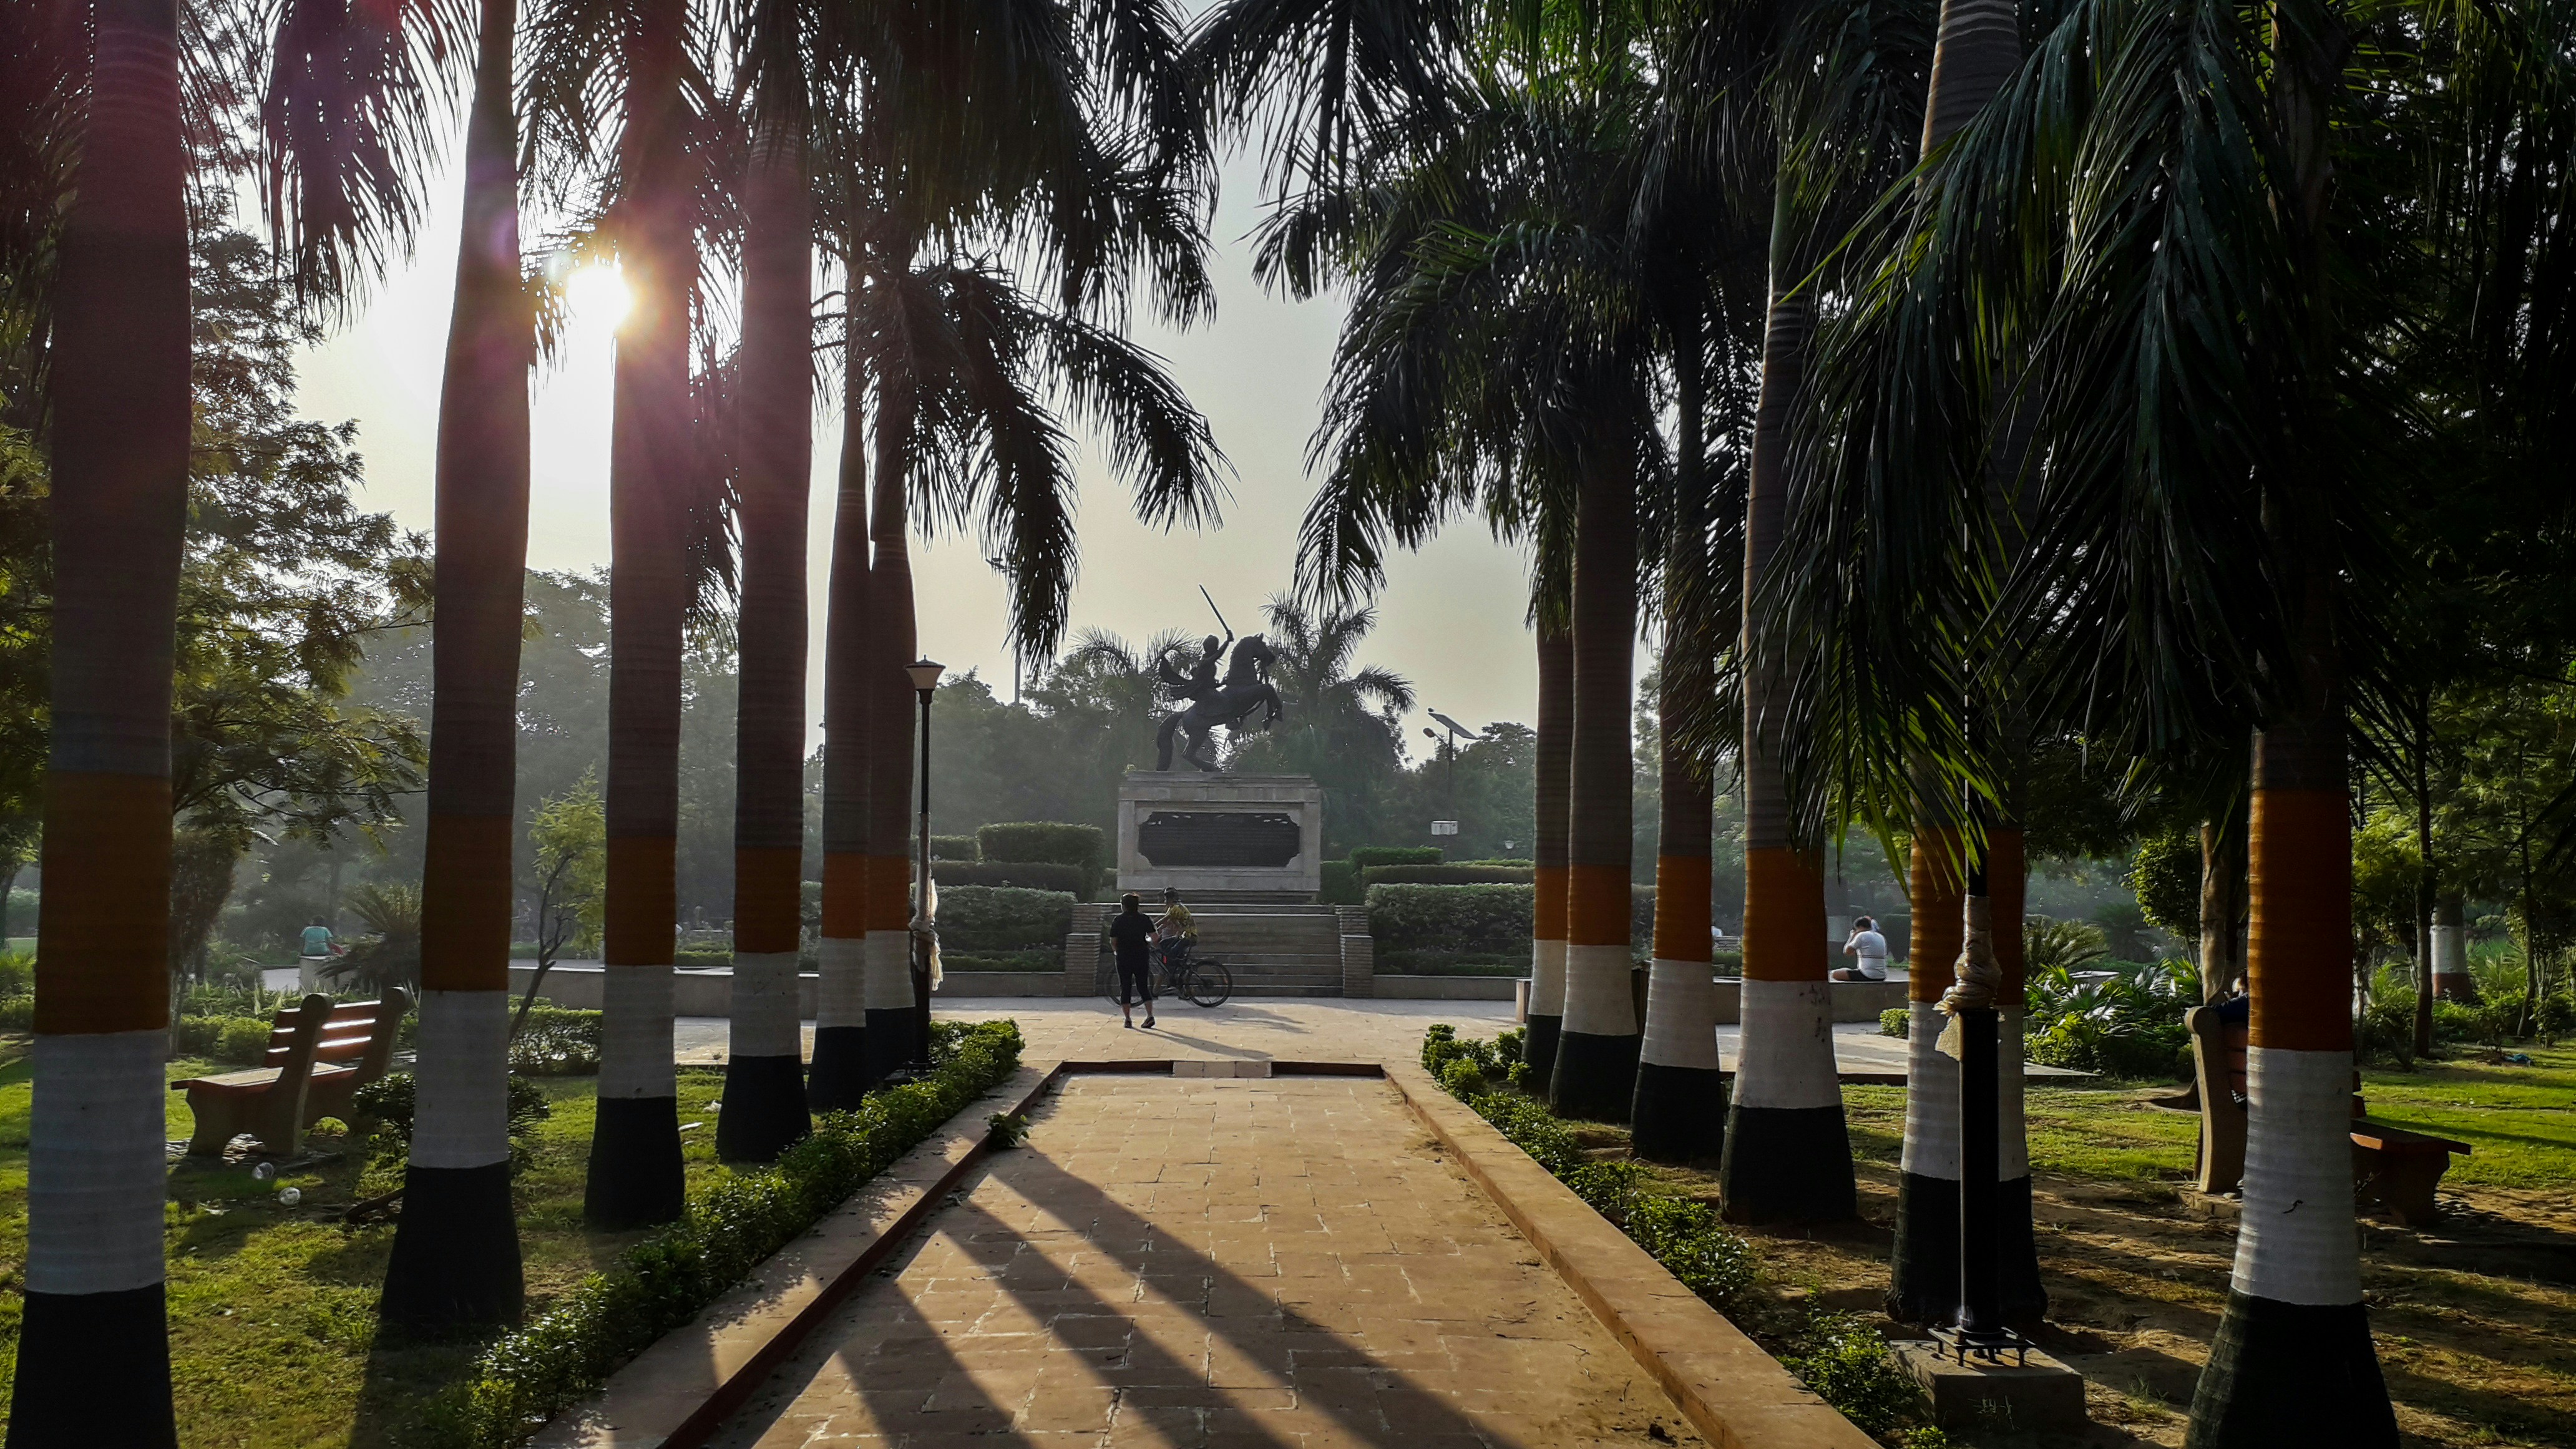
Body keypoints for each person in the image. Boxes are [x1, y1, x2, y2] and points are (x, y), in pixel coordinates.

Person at [1108, 892, 1157, 1029]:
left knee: (1125, 987)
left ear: (1124, 906)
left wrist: (1116, 951)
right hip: (1141, 956)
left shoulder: (1118, 920)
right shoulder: (1144, 919)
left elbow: (1113, 941)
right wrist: (1147, 943)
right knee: (1143, 986)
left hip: (1124, 956)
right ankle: (1150, 1016)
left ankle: (1128, 1019)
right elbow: (1155, 938)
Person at [1833, 915, 1888, 982]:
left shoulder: (1862, 936)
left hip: (1867, 975)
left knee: (1834, 974)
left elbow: (1847, 952)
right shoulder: (1881, 936)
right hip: (1882, 976)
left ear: (1860, 927)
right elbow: (1852, 954)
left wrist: (1852, 936)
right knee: (1845, 970)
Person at [1154, 887, 1197, 972]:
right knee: (1164, 943)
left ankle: (1173, 969)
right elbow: (1167, 923)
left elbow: (1164, 920)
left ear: (1171, 899)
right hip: (1183, 935)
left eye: (1166, 899)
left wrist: (1151, 928)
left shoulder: (1176, 908)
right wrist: (1157, 930)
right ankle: (1172, 964)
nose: (1165, 901)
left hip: (1189, 936)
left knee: (1172, 953)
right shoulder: (1174, 908)